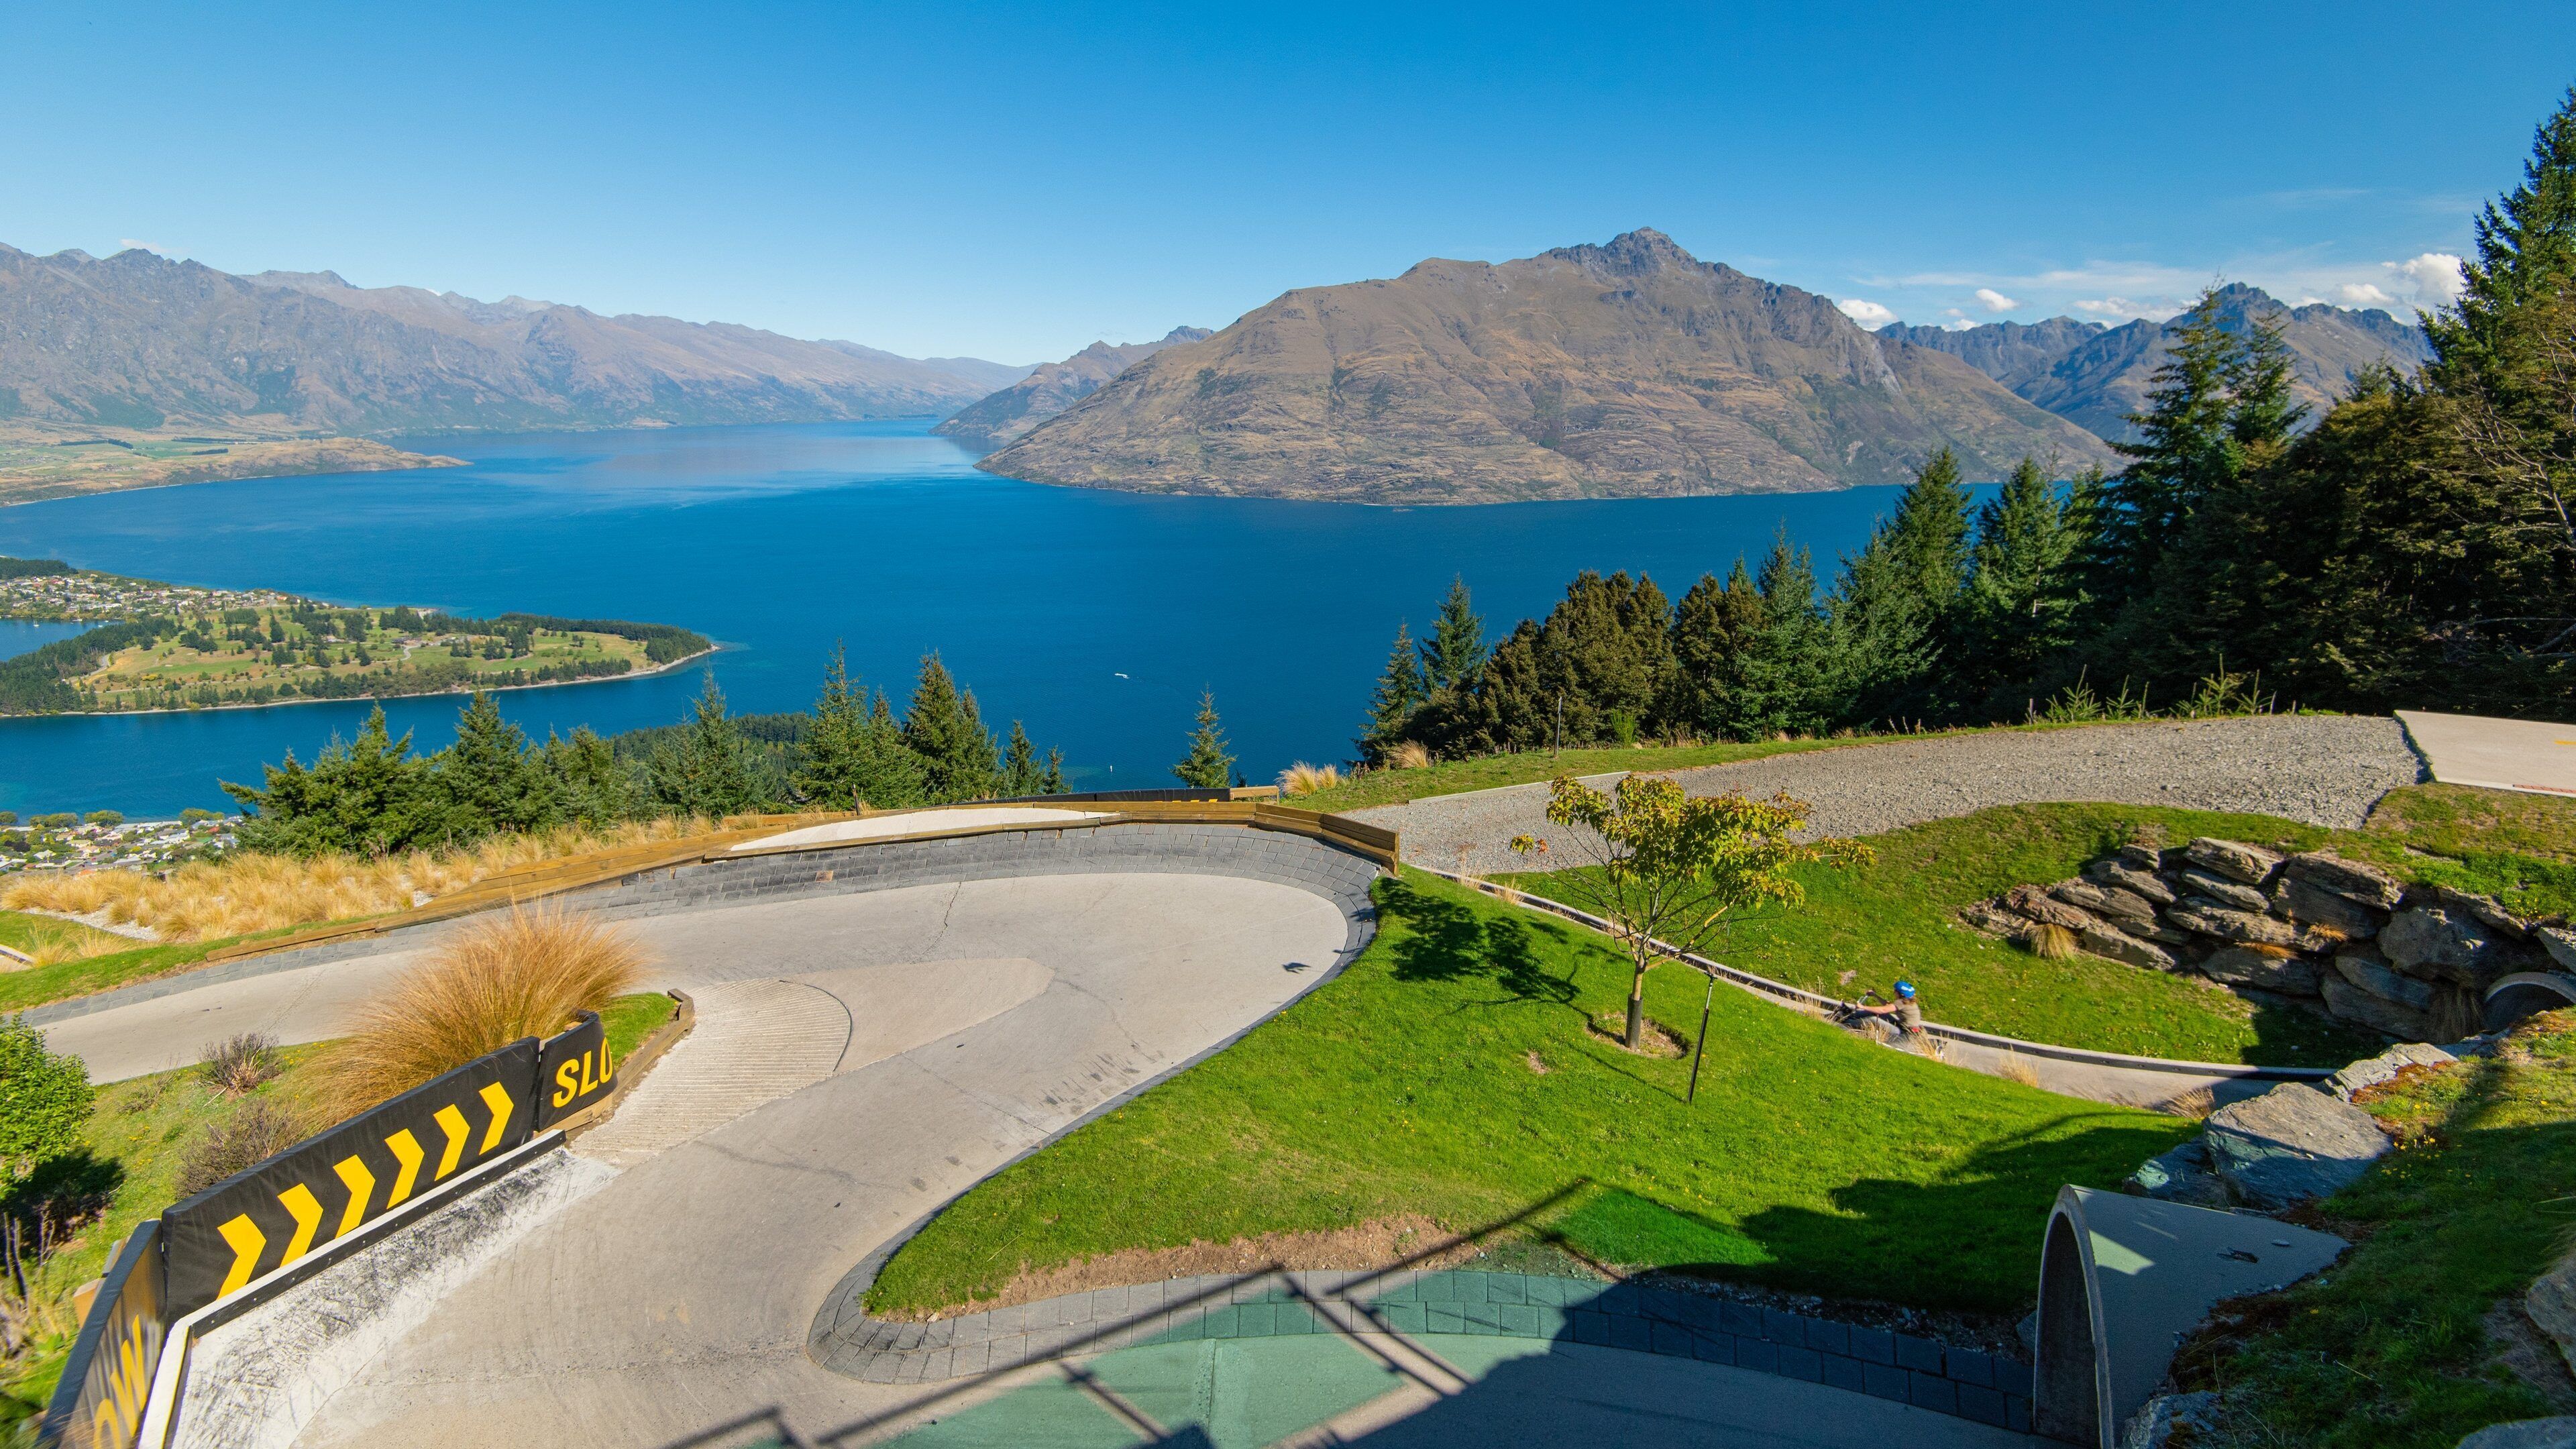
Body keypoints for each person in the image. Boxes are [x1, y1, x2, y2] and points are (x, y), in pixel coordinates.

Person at [1849, 980, 1923, 1044]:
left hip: (1903, 1033)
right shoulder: (1908, 1002)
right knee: (1881, 1014)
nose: (1894, 992)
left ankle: (1848, 1022)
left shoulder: (1902, 1003)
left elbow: (1883, 1010)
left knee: (1873, 1019)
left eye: (1896, 991)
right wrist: (1875, 995)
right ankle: (1852, 1015)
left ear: (1901, 994)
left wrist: (1863, 1007)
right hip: (1902, 1027)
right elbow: (1888, 1005)